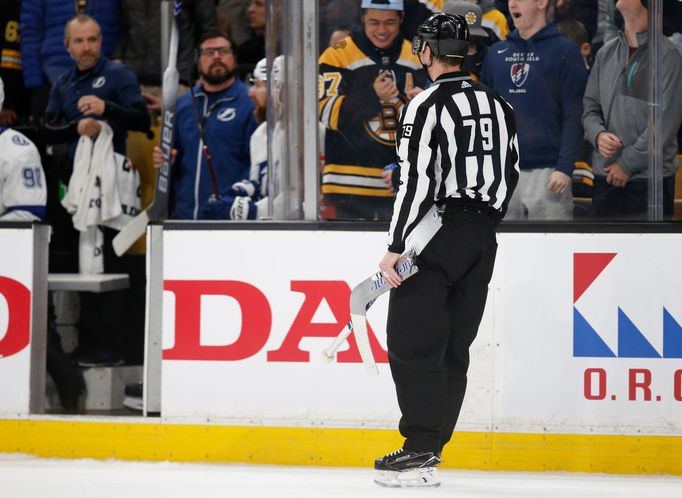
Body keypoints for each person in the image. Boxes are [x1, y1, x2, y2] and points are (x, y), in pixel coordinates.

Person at [374, 13, 519, 488]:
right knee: (454, 346)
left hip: (439, 233)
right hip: (484, 239)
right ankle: (431, 449)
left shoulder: (425, 104)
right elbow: (511, 170)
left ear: (428, 51)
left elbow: (416, 181)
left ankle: (418, 447)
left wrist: (397, 246)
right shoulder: (498, 102)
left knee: (413, 340)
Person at [41, 15, 150, 368]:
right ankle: (86, 343)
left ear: (101, 41)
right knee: (80, 265)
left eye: (92, 40)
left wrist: (107, 110)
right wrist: (77, 126)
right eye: (79, 41)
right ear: (67, 45)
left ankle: (112, 346)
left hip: (110, 189)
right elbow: (48, 128)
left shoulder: (118, 76)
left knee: (110, 265)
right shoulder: (62, 82)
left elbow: (141, 120)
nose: (86, 48)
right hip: (75, 186)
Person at [0, 76, 85, 412]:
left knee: (31, 330)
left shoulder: (16, 148)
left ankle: (68, 382)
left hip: (13, 261)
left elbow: (27, 214)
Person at [318, 0, 428, 221]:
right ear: (362, 18)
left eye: (389, 22)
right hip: (347, 184)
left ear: (401, 19)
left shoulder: (417, 57)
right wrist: (372, 96)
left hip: (399, 184)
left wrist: (422, 103)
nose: (381, 30)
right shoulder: (337, 55)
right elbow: (326, 113)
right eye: (374, 22)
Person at [480, 0, 587, 220]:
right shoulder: (496, 53)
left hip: (550, 173)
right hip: (503, 174)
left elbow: (574, 115)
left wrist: (565, 167)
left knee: (553, 252)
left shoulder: (565, 51)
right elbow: (486, 116)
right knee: (504, 253)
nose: (513, 4)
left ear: (541, 2)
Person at [582, 0, 682, 219]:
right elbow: (589, 107)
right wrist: (598, 135)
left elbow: (665, 122)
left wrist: (626, 165)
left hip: (648, 182)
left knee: (648, 254)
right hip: (605, 176)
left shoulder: (668, 55)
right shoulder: (605, 53)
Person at [152, 32, 258, 220]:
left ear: (234, 58)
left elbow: (254, 164)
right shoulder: (183, 104)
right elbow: (172, 156)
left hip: (232, 219)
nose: (217, 57)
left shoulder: (250, 103)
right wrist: (166, 160)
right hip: (185, 218)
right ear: (198, 61)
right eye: (209, 52)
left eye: (223, 51)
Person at [19, 0, 121, 122]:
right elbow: (30, 36)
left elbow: (119, 30)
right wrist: (36, 85)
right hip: (50, 83)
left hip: (101, 84)